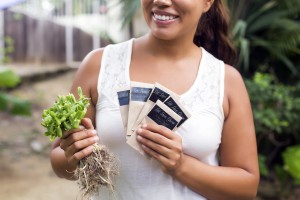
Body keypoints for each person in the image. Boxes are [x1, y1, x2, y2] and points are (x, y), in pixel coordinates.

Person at [50, 0, 260, 199]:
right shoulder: (99, 65)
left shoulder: (226, 81)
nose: (161, 1)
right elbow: (59, 161)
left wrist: (181, 166)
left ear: (207, 2)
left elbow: (246, 188)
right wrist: (73, 154)